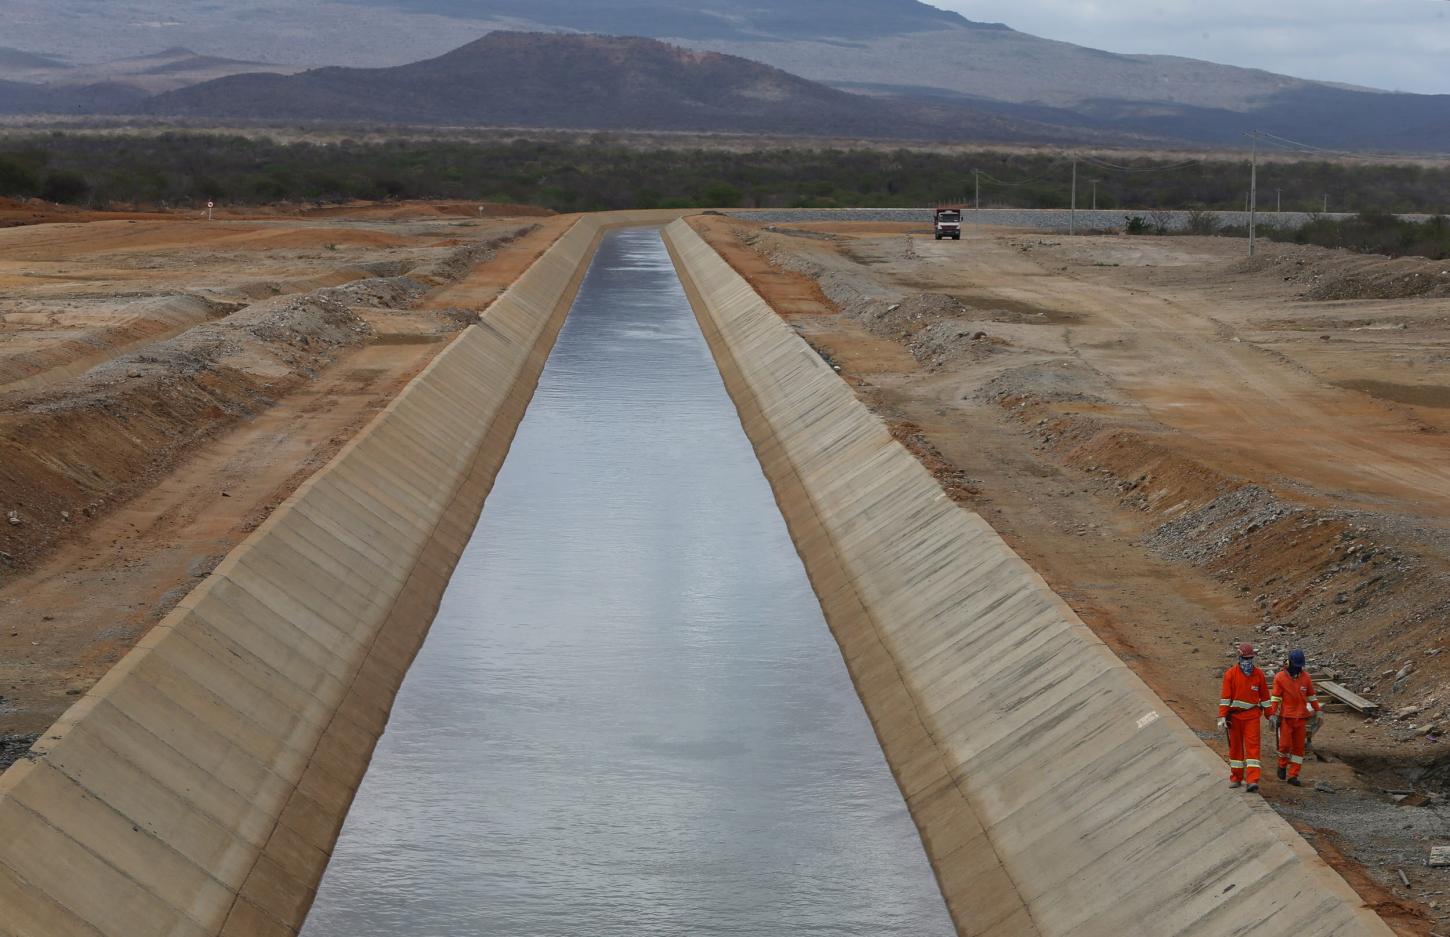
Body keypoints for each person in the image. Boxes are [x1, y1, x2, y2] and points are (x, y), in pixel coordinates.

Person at [1217, 642, 1272, 792]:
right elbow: (1225, 698)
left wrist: (1270, 715)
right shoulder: (1230, 675)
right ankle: (1236, 777)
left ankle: (1252, 780)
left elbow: (1265, 698)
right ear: (1240, 658)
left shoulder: (1258, 674)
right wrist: (1222, 716)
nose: (1248, 662)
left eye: (1250, 658)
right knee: (1236, 749)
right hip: (1234, 719)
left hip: (1252, 717)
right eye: (1246, 658)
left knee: (1253, 749)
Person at [1269, 648, 1322, 786]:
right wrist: (1272, 715)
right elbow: (1275, 697)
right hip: (1287, 718)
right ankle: (1282, 765)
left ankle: (1293, 775)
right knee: (1285, 745)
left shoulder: (1306, 677)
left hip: (1301, 718)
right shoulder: (1280, 677)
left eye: (1300, 666)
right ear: (1289, 663)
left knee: (1299, 749)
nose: (1298, 669)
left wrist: (1318, 710)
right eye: (1296, 666)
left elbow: (1311, 696)